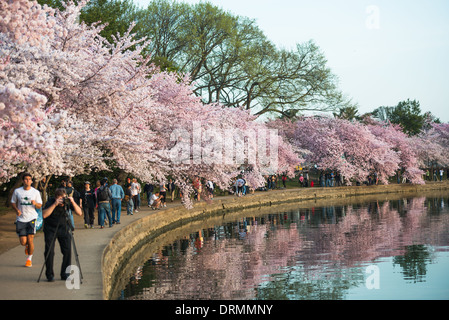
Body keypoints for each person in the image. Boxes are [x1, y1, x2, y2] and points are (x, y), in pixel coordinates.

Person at [42, 188, 82, 281]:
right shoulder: (51, 202)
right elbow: (44, 215)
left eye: (63, 198)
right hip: (50, 229)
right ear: (56, 197)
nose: (62, 200)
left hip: (64, 228)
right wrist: (55, 204)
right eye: (60, 198)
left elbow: (79, 213)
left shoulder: (67, 202)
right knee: (49, 252)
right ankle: (49, 274)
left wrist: (72, 202)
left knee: (67, 251)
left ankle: (65, 274)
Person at [11, 173, 43, 267]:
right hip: (21, 219)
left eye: (29, 179)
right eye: (26, 179)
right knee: (23, 242)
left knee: (30, 239)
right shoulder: (17, 191)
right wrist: (16, 210)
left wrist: (35, 204)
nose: (28, 181)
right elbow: (12, 202)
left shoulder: (35, 192)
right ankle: (27, 246)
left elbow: (40, 205)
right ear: (23, 181)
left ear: (32, 181)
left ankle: (29, 259)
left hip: (32, 218)